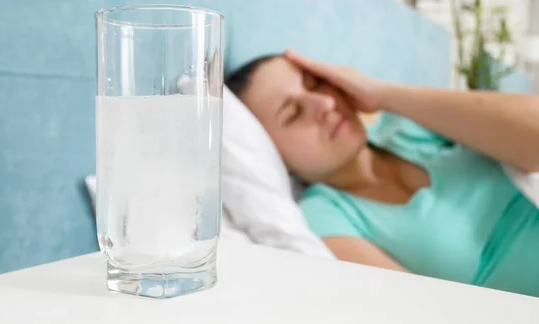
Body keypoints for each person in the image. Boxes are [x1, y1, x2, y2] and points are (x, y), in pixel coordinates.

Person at [225, 50, 539, 297]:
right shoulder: (327, 219)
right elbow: (422, 315)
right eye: (293, 114)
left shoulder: (409, 124)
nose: (323, 103)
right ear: (274, 155)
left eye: (316, 83)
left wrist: (384, 94)